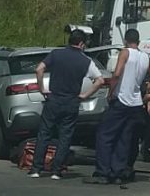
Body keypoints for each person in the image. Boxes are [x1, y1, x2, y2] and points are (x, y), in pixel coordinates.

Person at [85, 29, 150, 185]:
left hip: (121, 100)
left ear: (126, 41)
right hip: (135, 104)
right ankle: (119, 172)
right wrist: (143, 87)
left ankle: (103, 172)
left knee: (104, 135)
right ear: (138, 42)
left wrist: (111, 92)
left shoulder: (125, 52)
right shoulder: (145, 57)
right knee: (124, 139)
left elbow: (117, 73)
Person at [29, 30, 104, 180]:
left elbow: (39, 69)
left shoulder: (56, 54)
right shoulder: (86, 61)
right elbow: (100, 81)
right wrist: (84, 95)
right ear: (81, 44)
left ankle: (36, 168)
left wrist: (42, 89)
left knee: (44, 134)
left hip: (53, 99)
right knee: (65, 136)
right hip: (71, 101)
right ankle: (57, 171)